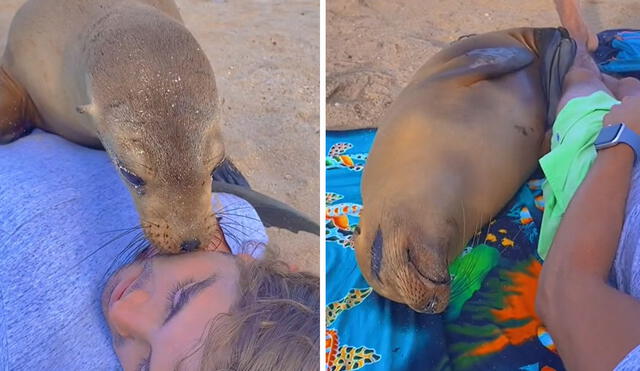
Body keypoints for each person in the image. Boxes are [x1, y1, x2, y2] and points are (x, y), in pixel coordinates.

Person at [0, 130, 319, 370]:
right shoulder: (239, 225)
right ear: (249, 262)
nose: (121, 313)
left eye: (144, 364)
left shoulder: (31, 349)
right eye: (181, 296)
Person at [536, 0, 640, 370]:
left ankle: (578, 41)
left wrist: (623, 135)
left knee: (580, 83)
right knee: (621, 86)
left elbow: (562, 293)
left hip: (608, 176)